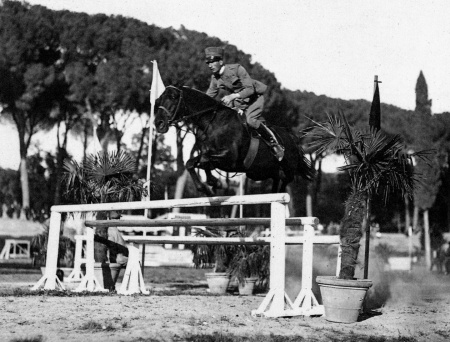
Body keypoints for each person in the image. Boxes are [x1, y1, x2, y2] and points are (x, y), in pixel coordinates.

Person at [204, 46, 284, 161]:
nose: (210, 65)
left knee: (251, 121)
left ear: (220, 61)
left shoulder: (237, 69)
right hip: (239, 103)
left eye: (212, 62)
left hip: (254, 98)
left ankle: (275, 144)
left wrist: (232, 96)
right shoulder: (215, 78)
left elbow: (250, 90)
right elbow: (208, 97)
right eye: (208, 63)